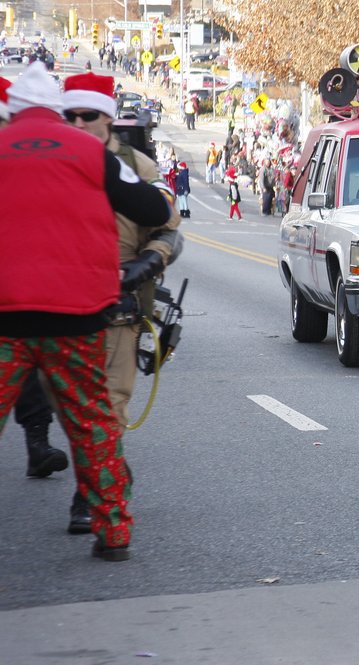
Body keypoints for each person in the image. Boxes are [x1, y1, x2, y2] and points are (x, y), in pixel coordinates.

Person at [0, 62, 173, 560]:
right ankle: (113, 532)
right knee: (93, 424)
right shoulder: (89, 153)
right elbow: (154, 211)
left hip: (6, 317)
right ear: (57, 111)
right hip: (75, 315)